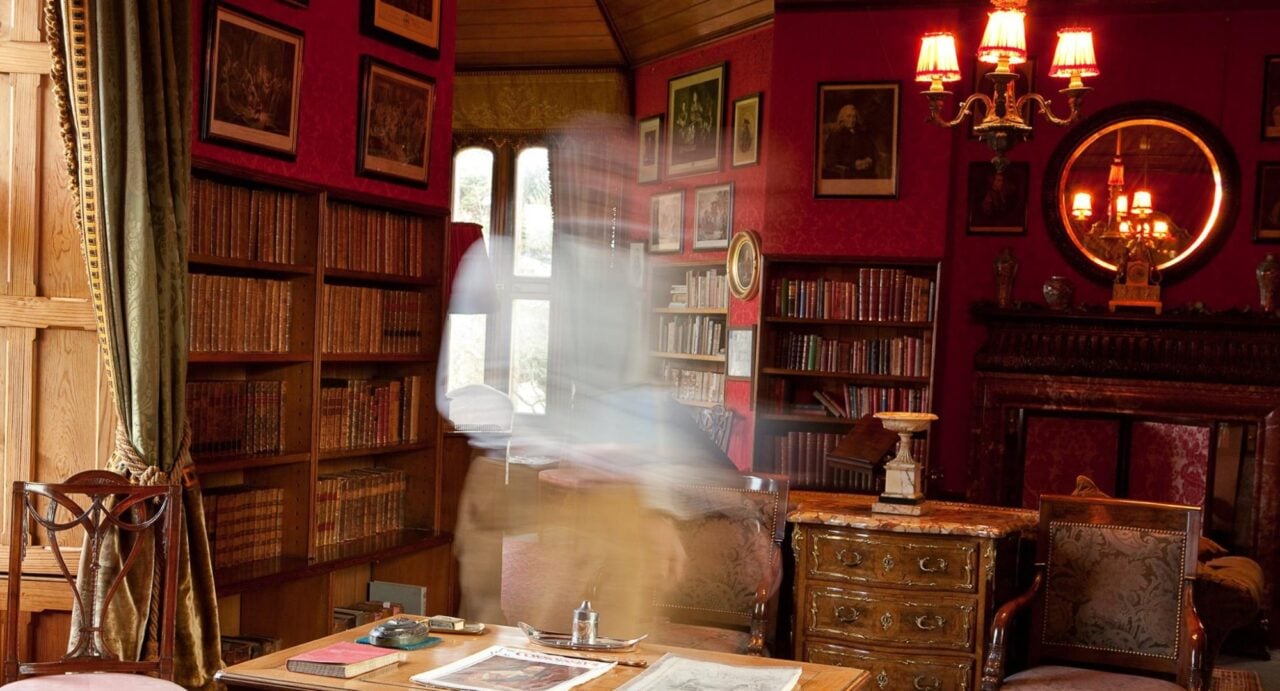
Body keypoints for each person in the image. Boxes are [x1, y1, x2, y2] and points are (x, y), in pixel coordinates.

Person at [822, 103, 878, 179]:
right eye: (848, 116)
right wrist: (854, 163)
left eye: (854, 117)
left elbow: (871, 148)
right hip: (848, 173)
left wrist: (869, 159)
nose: (852, 120)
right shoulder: (835, 135)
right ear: (842, 118)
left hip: (866, 170)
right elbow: (831, 158)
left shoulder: (861, 133)